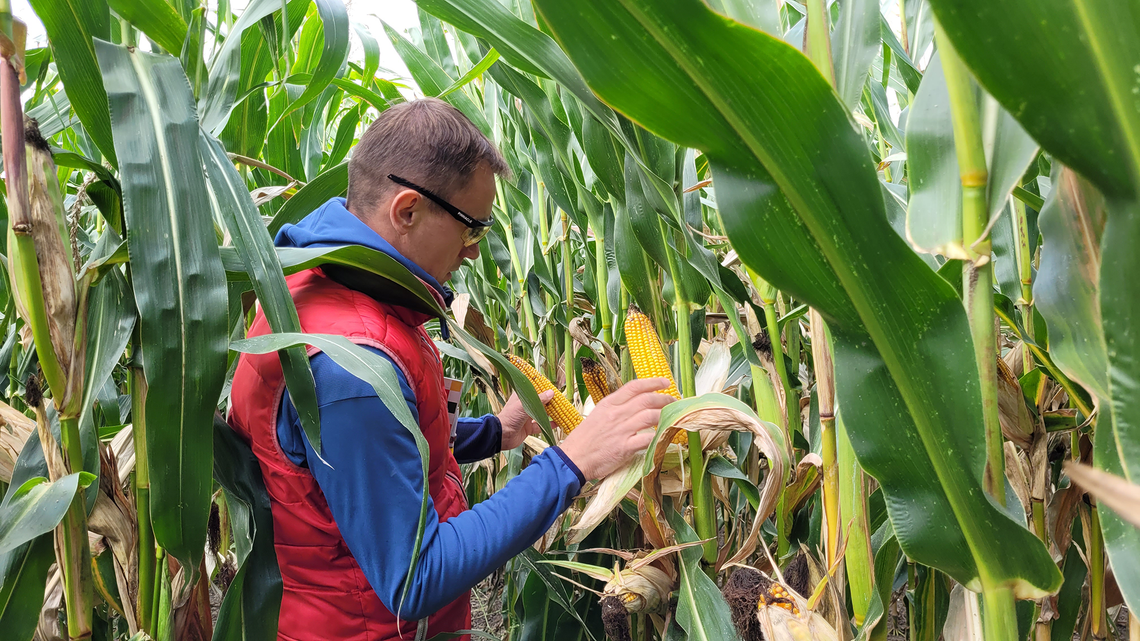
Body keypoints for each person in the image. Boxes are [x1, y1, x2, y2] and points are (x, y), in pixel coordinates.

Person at [228, 97, 674, 641]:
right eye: (471, 228)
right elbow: (415, 577)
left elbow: (362, 455)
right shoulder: (351, 366)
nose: (473, 253)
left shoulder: (317, 287)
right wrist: (570, 462)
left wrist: (495, 433)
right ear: (407, 210)